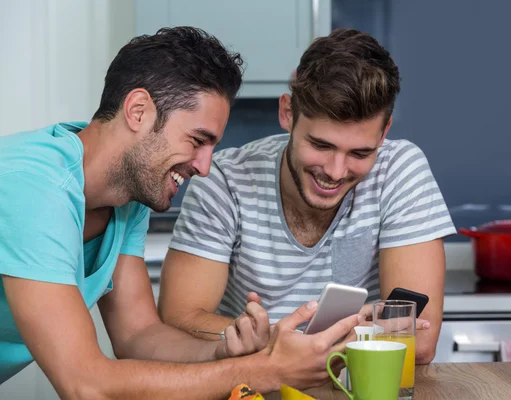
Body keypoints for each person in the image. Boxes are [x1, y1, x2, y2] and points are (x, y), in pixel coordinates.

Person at [0, 26, 360, 398]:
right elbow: (85, 384)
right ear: (138, 111)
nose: (204, 167)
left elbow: (138, 335)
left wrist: (222, 352)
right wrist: (264, 370)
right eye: (197, 140)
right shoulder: (36, 188)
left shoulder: (128, 197)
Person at [159, 28, 456, 365]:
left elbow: (420, 340)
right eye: (321, 145)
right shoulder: (222, 180)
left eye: (360, 153)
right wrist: (349, 335)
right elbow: (178, 321)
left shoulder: (401, 171)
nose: (334, 171)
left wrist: (275, 341)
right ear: (287, 112)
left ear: (385, 132)